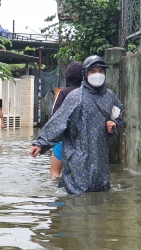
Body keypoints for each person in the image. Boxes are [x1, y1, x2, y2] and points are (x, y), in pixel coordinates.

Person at [29, 55, 124, 194]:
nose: (97, 75)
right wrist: (41, 143)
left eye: (100, 71)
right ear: (85, 74)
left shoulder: (110, 96)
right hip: (78, 155)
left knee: (100, 193)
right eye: (93, 71)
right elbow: (58, 121)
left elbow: (118, 114)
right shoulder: (75, 97)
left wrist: (114, 124)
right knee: (77, 197)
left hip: (100, 157)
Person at [50, 61, 83, 178]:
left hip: (63, 141)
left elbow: (55, 117)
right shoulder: (89, 93)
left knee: (55, 174)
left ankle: (56, 196)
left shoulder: (63, 93)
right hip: (83, 142)